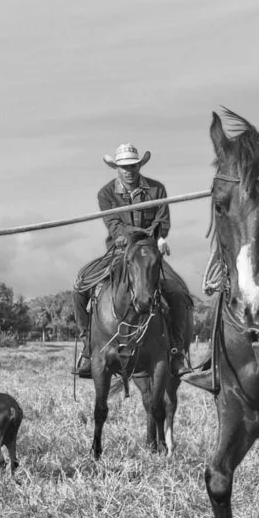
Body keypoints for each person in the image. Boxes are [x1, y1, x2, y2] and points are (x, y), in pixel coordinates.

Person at [70, 143, 196, 380]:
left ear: (139, 165)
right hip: (119, 253)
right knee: (79, 288)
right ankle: (89, 347)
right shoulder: (105, 194)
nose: (129, 170)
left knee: (178, 293)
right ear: (116, 168)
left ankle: (177, 353)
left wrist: (155, 237)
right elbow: (115, 226)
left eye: (132, 165)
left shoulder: (157, 190)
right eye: (124, 167)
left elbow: (163, 221)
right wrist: (142, 233)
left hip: (148, 253)